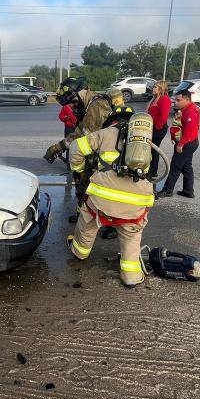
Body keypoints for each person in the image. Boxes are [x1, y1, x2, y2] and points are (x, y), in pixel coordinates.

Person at [66, 106, 154, 286]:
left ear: (112, 120)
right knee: (131, 236)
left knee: (88, 220)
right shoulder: (144, 142)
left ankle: (80, 252)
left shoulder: (106, 133)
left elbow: (75, 147)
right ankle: (131, 276)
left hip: (102, 200)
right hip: (135, 203)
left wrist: (79, 169)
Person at [44, 77, 119, 227]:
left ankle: (112, 226)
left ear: (80, 94)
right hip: (93, 152)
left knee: (101, 192)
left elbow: (83, 136)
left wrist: (58, 147)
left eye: (73, 103)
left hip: (105, 155)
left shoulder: (96, 106)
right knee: (82, 186)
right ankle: (82, 214)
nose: (72, 107)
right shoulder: (87, 104)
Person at [157, 89, 200, 199]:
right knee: (186, 167)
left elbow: (189, 131)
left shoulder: (191, 111)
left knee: (175, 167)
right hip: (190, 142)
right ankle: (188, 190)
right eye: (175, 100)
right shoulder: (185, 109)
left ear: (186, 99)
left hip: (187, 143)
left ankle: (167, 190)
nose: (175, 102)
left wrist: (181, 144)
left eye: (178, 100)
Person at [146, 80, 171, 178]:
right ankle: (151, 169)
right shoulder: (155, 99)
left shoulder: (164, 99)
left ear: (161, 89)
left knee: (154, 149)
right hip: (152, 128)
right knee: (151, 149)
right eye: (154, 87)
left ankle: (153, 171)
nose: (153, 88)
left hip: (158, 129)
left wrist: (156, 128)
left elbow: (163, 117)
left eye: (156, 87)